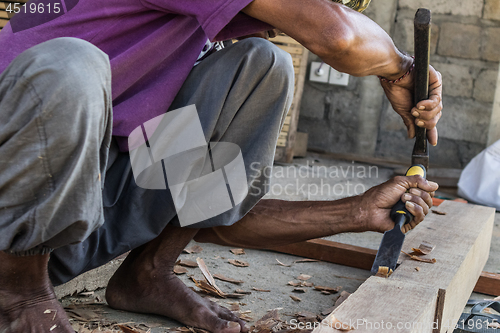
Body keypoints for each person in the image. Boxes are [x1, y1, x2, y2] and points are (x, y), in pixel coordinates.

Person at [0, 0, 443, 332]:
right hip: (9, 213)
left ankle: (148, 271)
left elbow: (208, 212)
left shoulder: (200, 28)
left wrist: (356, 212)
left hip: (73, 231)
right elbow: (339, 38)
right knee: (72, 67)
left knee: (261, 64)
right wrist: (401, 68)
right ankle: (18, 293)